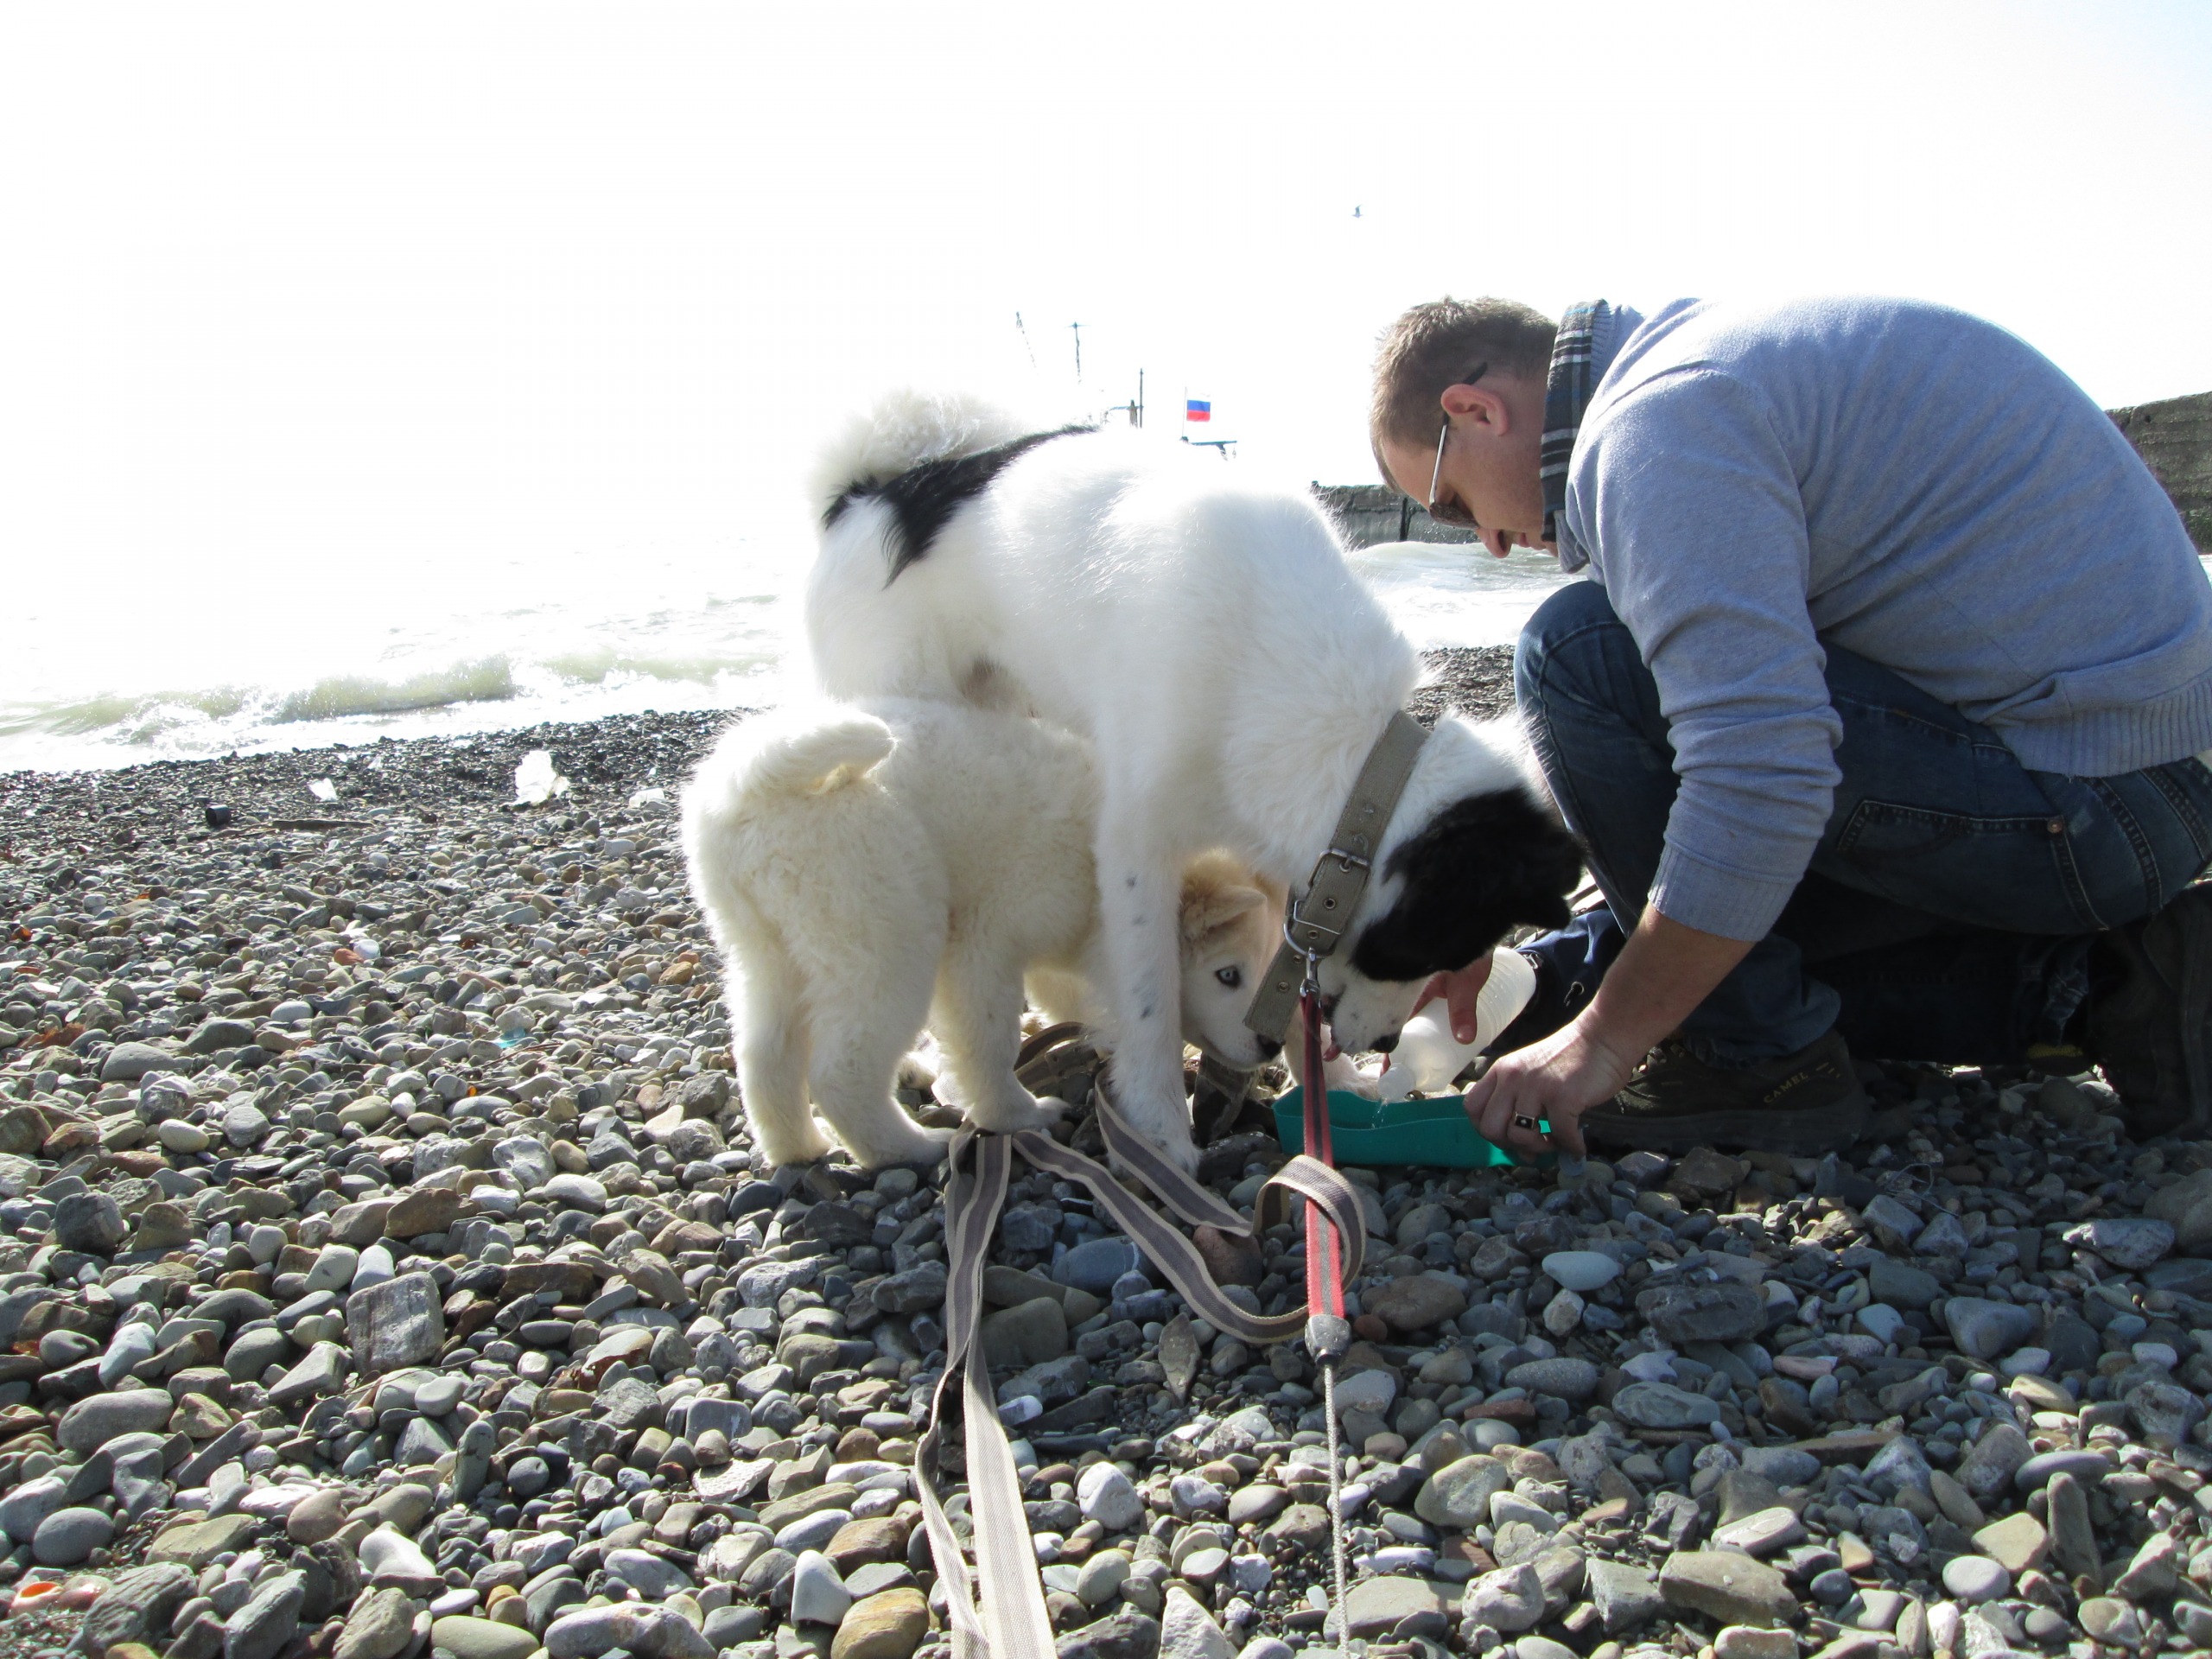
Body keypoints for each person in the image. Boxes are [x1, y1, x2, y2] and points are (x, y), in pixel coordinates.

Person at [1368, 296, 2212, 1160]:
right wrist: (1527, 960)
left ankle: (1756, 1066)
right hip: (2120, 783)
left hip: (2095, 802)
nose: (1488, 543)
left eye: (1448, 504)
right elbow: (1704, 773)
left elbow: (1762, 779)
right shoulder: (1700, 373)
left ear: (1473, 411)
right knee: (1723, 947)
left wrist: (1603, 1042)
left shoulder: (1657, 429)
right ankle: (2107, 986)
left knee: (1576, 650)